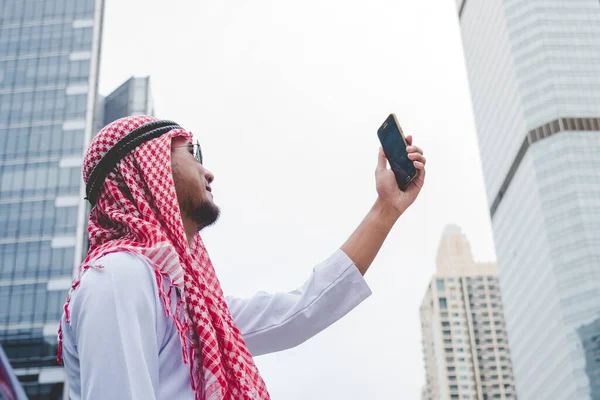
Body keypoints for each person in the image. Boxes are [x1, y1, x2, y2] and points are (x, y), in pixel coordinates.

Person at [58, 115, 426, 400]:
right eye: (190, 153)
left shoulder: (190, 303)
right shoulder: (117, 276)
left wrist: (386, 208)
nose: (208, 171)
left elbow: (298, 312)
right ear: (143, 169)